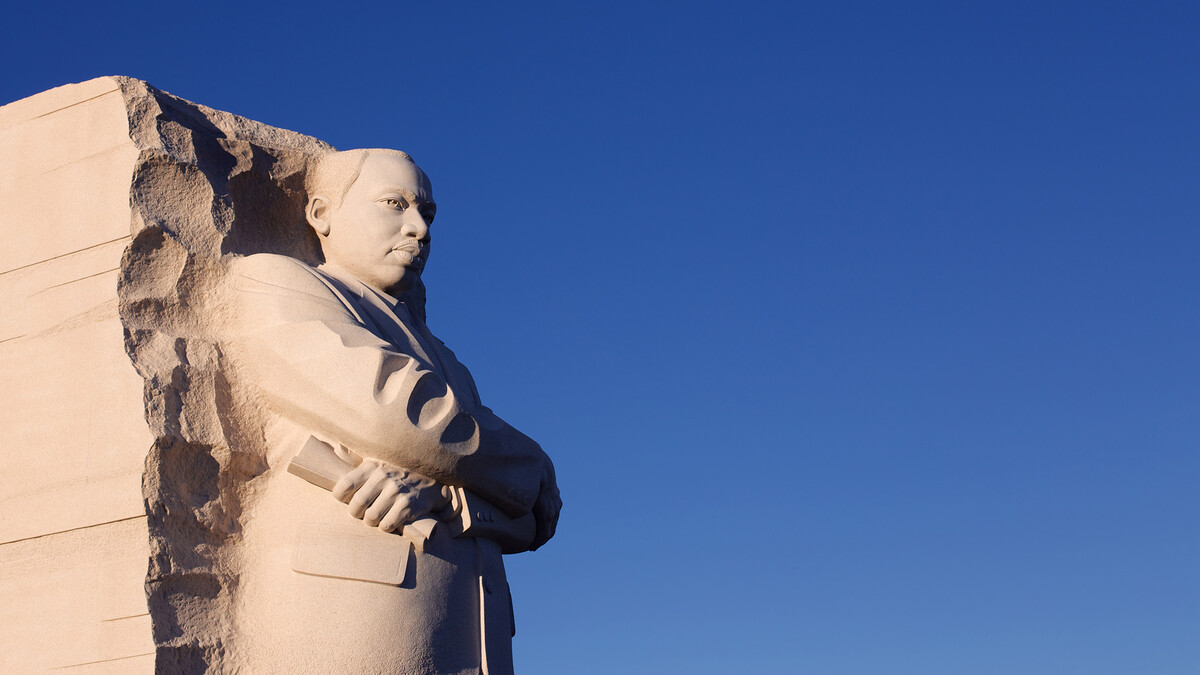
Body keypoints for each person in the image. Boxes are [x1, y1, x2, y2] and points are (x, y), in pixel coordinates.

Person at [223, 149, 560, 674]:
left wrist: (449, 493)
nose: (419, 228)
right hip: (361, 614)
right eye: (395, 204)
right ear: (321, 214)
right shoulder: (279, 282)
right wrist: (531, 465)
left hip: (477, 636)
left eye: (427, 213)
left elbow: (536, 518)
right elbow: (398, 413)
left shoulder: (448, 362)